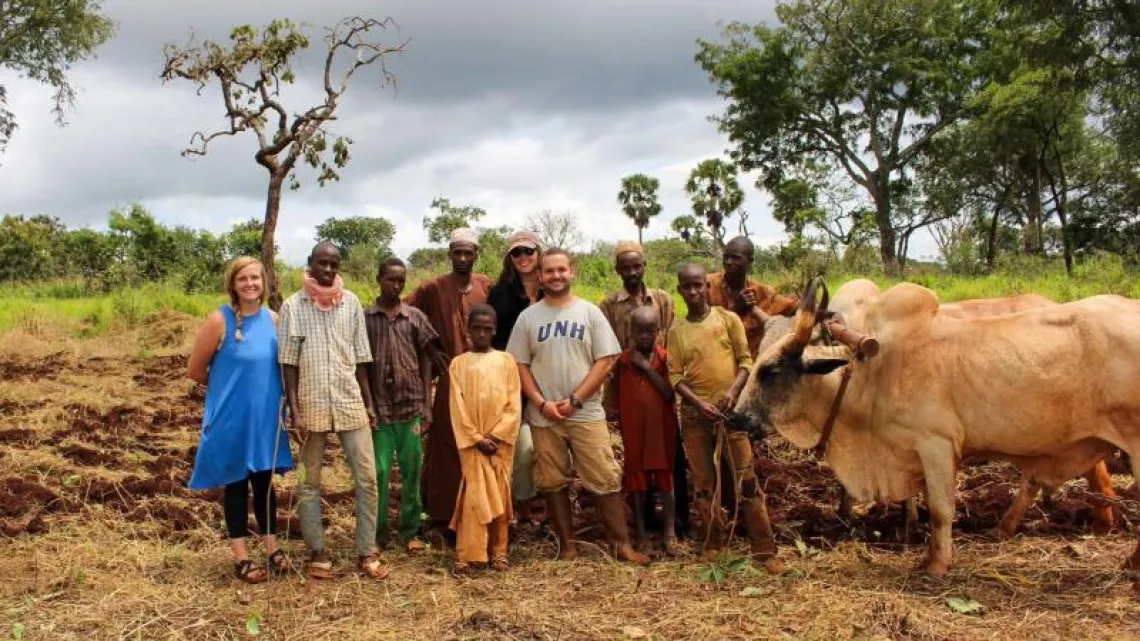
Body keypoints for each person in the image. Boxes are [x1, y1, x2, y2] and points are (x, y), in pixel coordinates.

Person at [506, 247, 650, 565]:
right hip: (545, 417)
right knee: (552, 480)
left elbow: (606, 359)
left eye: (561, 270)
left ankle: (621, 545)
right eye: (549, 271)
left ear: (573, 272)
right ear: (540, 276)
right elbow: (519, 365)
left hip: (585, 412)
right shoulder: (528, 318)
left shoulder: (588, 312)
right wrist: (541, 403)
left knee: (604, 476)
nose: (556, 276)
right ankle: (567, 547)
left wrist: (576, 399)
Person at [278, 241, 387, 580]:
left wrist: (368, 403)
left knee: (367, 478)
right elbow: (288, 363)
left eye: (333, 264)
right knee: (309, 482)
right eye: (321, 263)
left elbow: (361, 359)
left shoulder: (351, 303)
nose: (327, 270)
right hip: (310, 404)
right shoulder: (293, 306)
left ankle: (366, 551)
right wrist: (293, 410)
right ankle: (317, 552)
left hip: (349, 401)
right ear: (310, 263)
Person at [667, 263, 782, 573]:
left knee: (746, 481)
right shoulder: (676, 332)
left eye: (698, 285)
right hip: (694, 417)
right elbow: (676, 376)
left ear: (707, 286)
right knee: (704, 484)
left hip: (731, 415)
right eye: (686, 287)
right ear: (680, 290)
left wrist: (732, 393)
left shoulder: (727, 319)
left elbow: (746, 361)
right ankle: (713, 543)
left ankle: (765, 550)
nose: (693, 292)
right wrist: (699, 404)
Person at [187, 256, 295, 584]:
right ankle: (241, 557)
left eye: (255, 278)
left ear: (264, 282)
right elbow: (195, 370)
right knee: (236, 484)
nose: (250, 284)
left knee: (264, 484)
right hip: (232, 418)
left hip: (265, 419)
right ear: (233, 285)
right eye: (243, 279)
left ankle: (272, 548)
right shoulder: (218, 321)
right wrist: (227, 390)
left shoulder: (274, 320)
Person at [405, 228, 493, 547]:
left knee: (480, 444)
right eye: (457, 252)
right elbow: (405, 312)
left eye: (468, 252)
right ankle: (442, 519)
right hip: (450, 379)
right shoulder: (433, 288)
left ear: (476, 255)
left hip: (484, 379)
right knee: (445, 447)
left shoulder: (485, 287)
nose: (462, 258)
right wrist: (430, 350)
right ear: (450, 255)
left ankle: (480, 515)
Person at [598, 240, 688, 539]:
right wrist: (611, 402)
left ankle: (677, 525)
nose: (632, 272)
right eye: (625, 268)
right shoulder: (608, 306)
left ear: (644, 266)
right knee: (636, 462)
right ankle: (645, 524)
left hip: (661, 382)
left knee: (670, 461)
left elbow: (673, 340)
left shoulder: (662, 300)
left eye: (636, 266)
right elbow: (607, 355)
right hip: (628, 386)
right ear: (617, 270)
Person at [364, 257, 439, 553]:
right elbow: (360, 364)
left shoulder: (415, 317)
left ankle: (410, 531)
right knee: (380, 473)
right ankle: (378, 534)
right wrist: (367, 404)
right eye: (390, 279)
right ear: (379, 279)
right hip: (380, 411)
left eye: (400, 280)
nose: (396, 285)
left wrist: (426, 403)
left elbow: (426, 358)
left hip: (411, 409)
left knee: (411, 471)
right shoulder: (366, 318)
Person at [448, 304, 523, 575]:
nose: (481, 334)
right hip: (473, 445)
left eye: (486, 329)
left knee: (500, 496)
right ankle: (467, 557)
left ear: (494, 331)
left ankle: (498, 553)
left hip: (499, 445)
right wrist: (477, 439)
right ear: (468, 330)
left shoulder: (506, 361)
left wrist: (496, 435)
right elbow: (457, 406)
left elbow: (514, 404)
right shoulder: (458, 364)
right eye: (476, 329)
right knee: (474, 497)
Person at [611, 306, 682, 556]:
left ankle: (669, 534)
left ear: (658, 332)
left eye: (650, 331)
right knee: (637, 482)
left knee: (665, 481)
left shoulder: (664, 359)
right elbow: (614, 398)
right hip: (634, 432)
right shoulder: (622, 361)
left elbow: (670, 393)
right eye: (639, 331)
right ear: (631, 332)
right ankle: (641, 534)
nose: (644, 336)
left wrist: (648, 369)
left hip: (661, 430)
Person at [486, 230, 545, 524]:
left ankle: (543, 506)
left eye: (528, 251)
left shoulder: (554, 290)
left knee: (546, 449)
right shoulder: (500, 294)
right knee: (522, 449)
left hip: (549, 380)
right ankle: (518, 511)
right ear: (510, 258)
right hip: (511, 382)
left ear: (539, 254)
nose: (523, 257)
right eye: (516, 253)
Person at [707, 236, 798, 359]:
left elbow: (794, 307)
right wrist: (735, 308)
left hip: (753, 368)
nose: (728, 262)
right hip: (716, 361)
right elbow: (702, 329)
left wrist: (826, 315)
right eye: (726, 257)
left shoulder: (765, 293)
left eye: (736, 258)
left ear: (750, 262)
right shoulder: (707, 285)